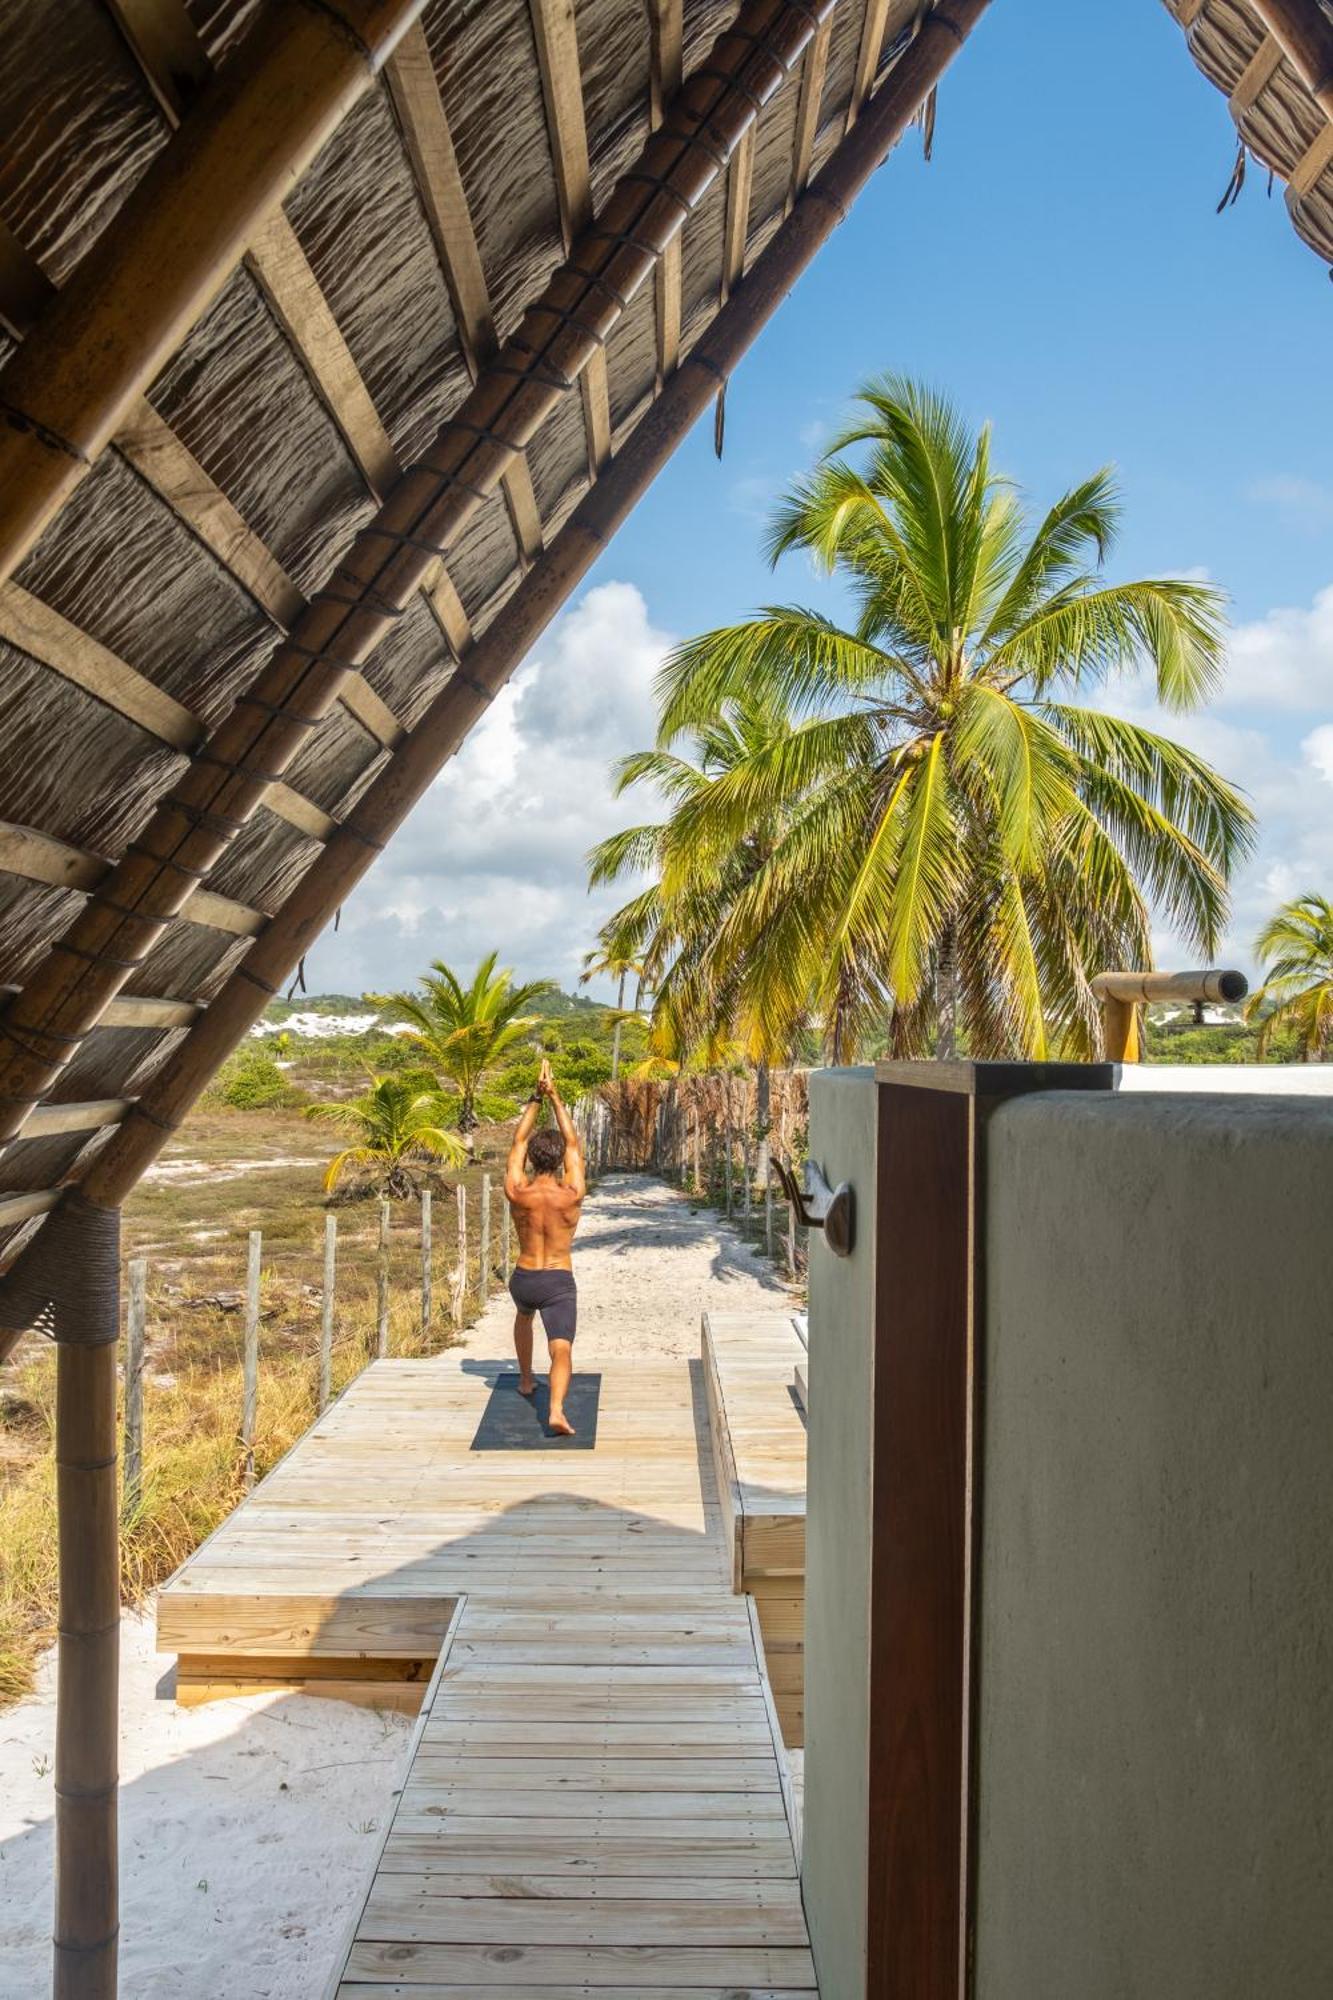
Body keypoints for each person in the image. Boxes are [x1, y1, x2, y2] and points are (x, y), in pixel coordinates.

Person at [503, 1060, 585, 1435]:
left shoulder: (517, 1192)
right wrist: (555, 1097)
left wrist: (536, 1095)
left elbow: (518, 1141)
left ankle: (524, 1379)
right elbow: (572, 1142)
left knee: (523, 1318)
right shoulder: (571, 1194)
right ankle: (555, 1409)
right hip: (557, 1280)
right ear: (561, 1162)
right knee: (561, 1348)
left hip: (523, 1278)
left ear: (533, 1160)